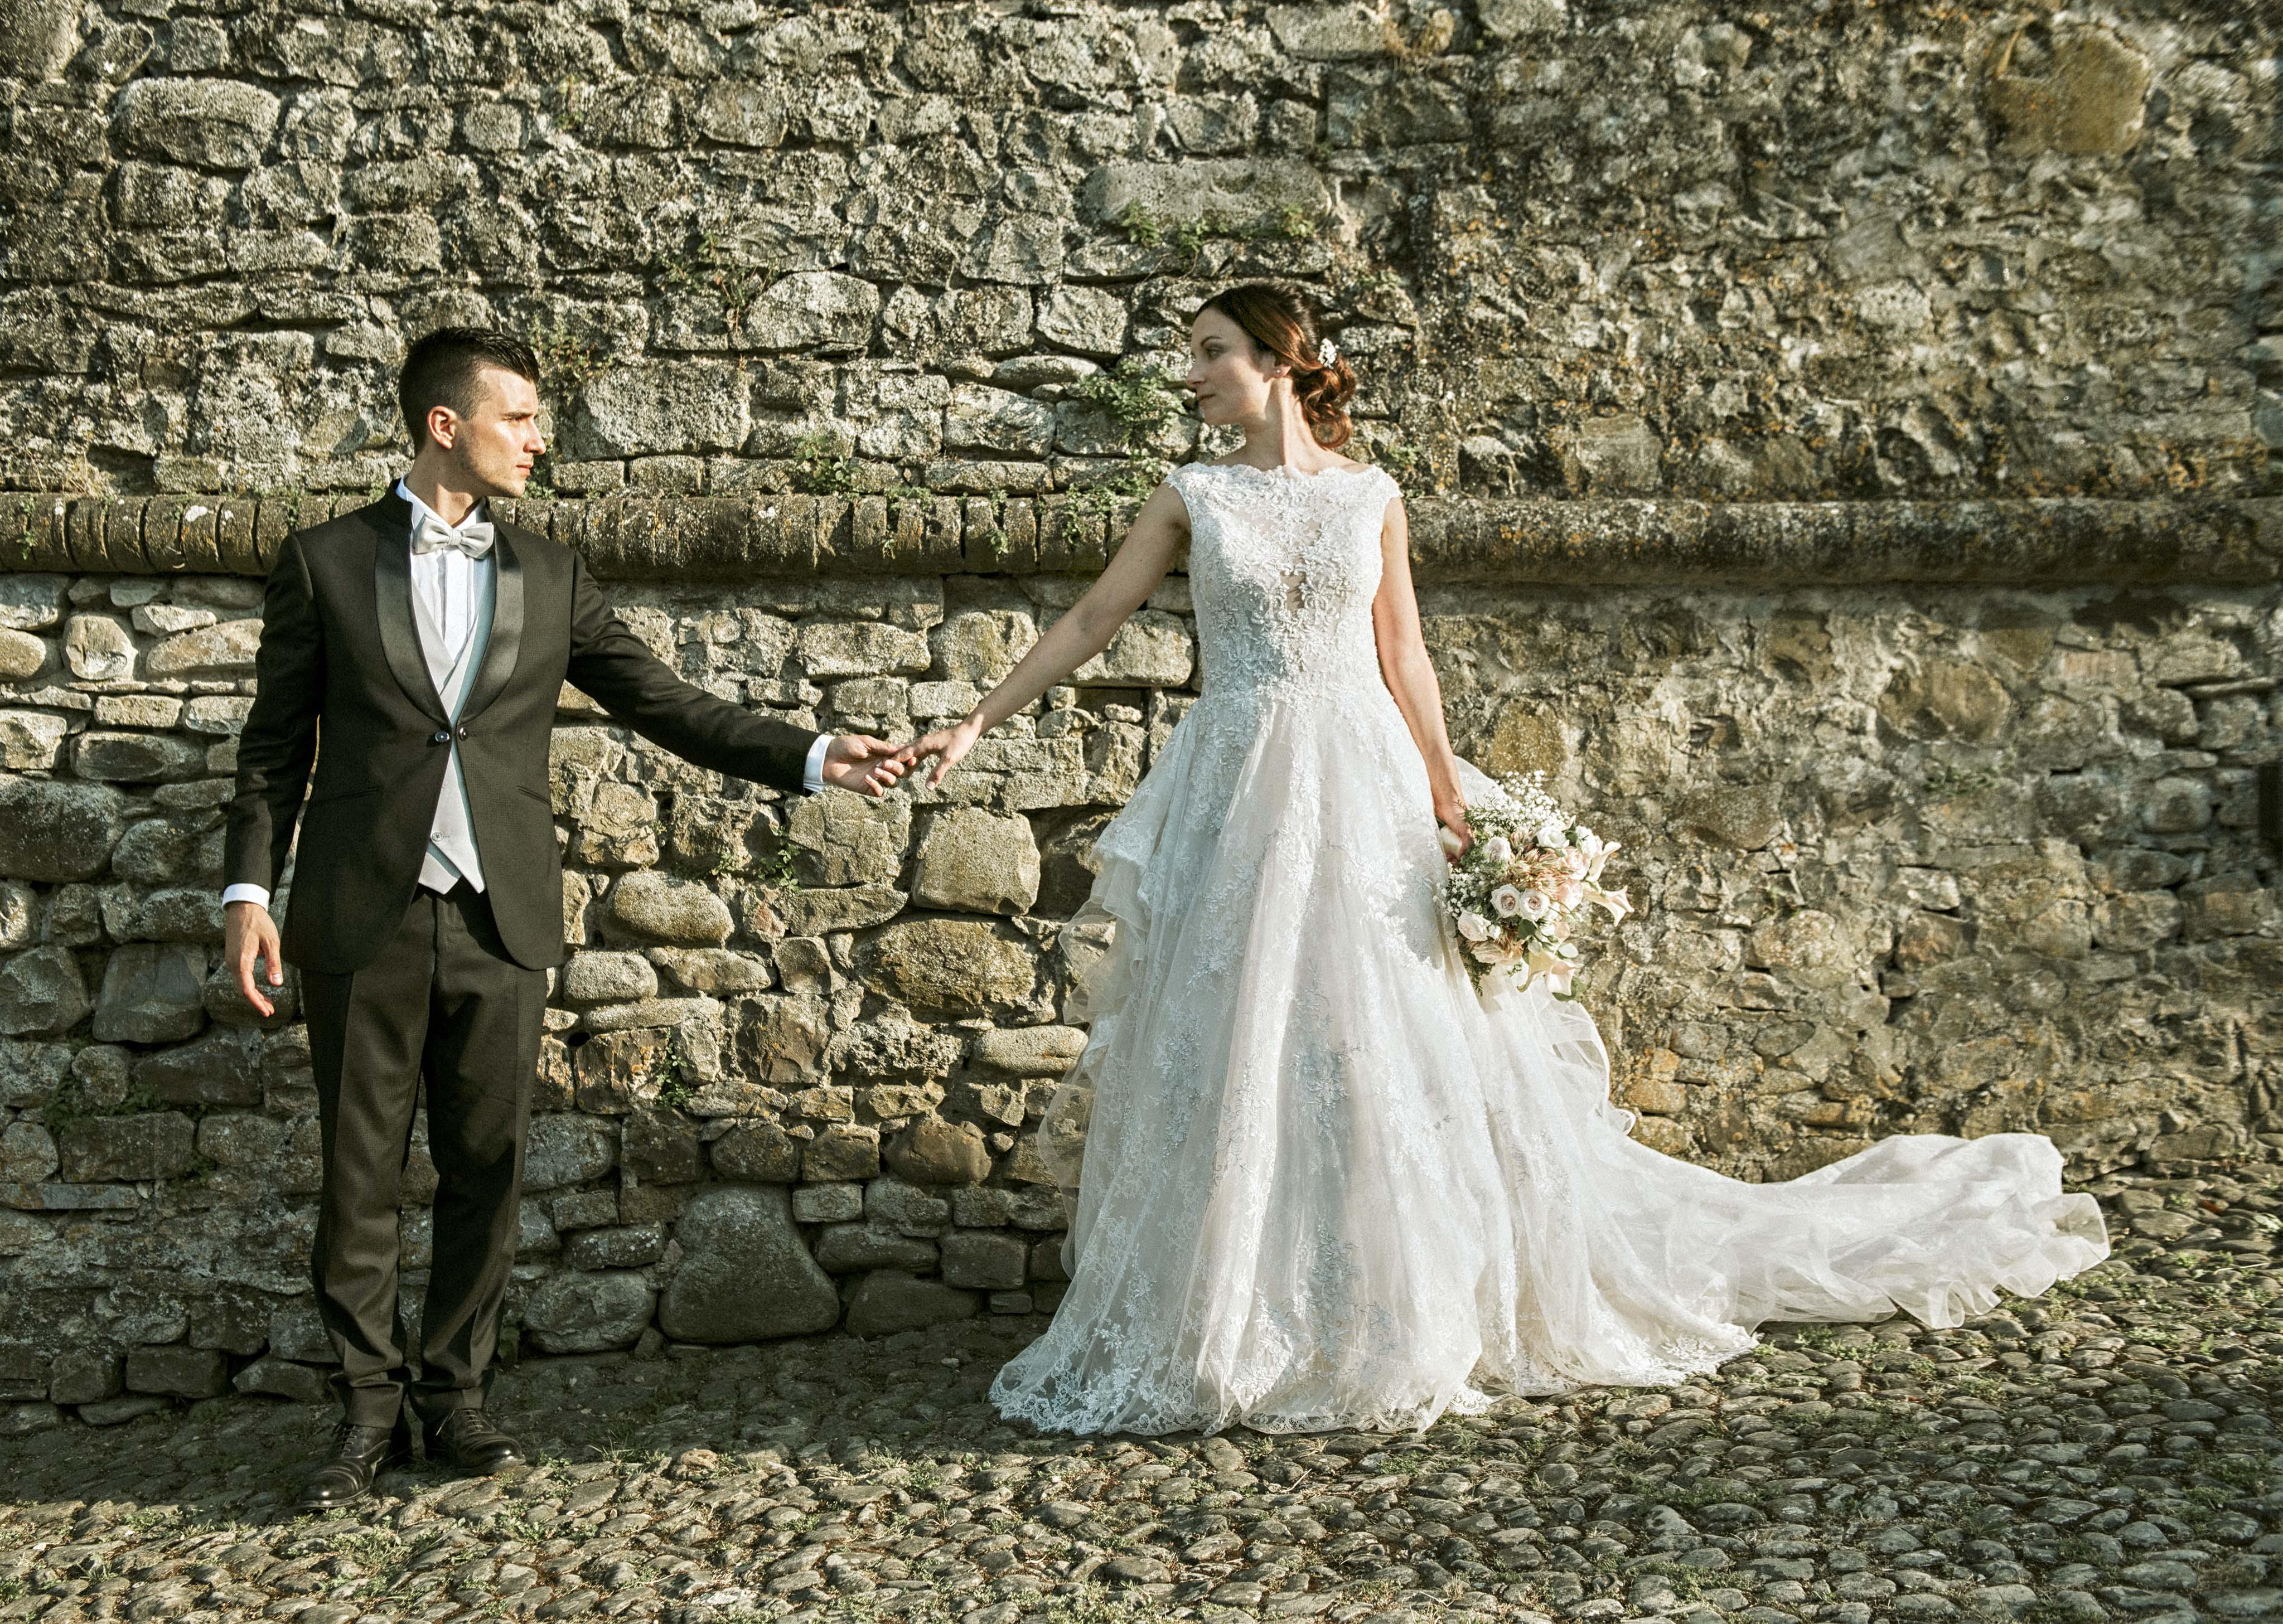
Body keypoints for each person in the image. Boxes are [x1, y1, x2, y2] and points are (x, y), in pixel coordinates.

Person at [901, 282, 2110, 1437]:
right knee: (1241, 1028)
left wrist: (1444, 788)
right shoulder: (1193, 496)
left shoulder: (1370, 496)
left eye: (1211, 349)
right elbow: (1090, 619)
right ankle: (1232, 1312)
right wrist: (972, 721)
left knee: (1383, 1032)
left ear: (1276, 361)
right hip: (1240, 777)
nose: (1191, 373)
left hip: (1363, 775)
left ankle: (1390, 1302)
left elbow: (1405, 654)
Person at [222, 327, 910, 1506]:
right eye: (521, 418)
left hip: (500, 915)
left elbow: (665, 703)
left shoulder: (551, 574)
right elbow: (272, 747)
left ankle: (457, 1398)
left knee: (488, 1166)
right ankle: (365, 1414)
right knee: (359, 1173)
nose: (539, 440)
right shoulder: (324, 561)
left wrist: (809, 754)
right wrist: (248, 891)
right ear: (446, 425)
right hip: (359, 910)